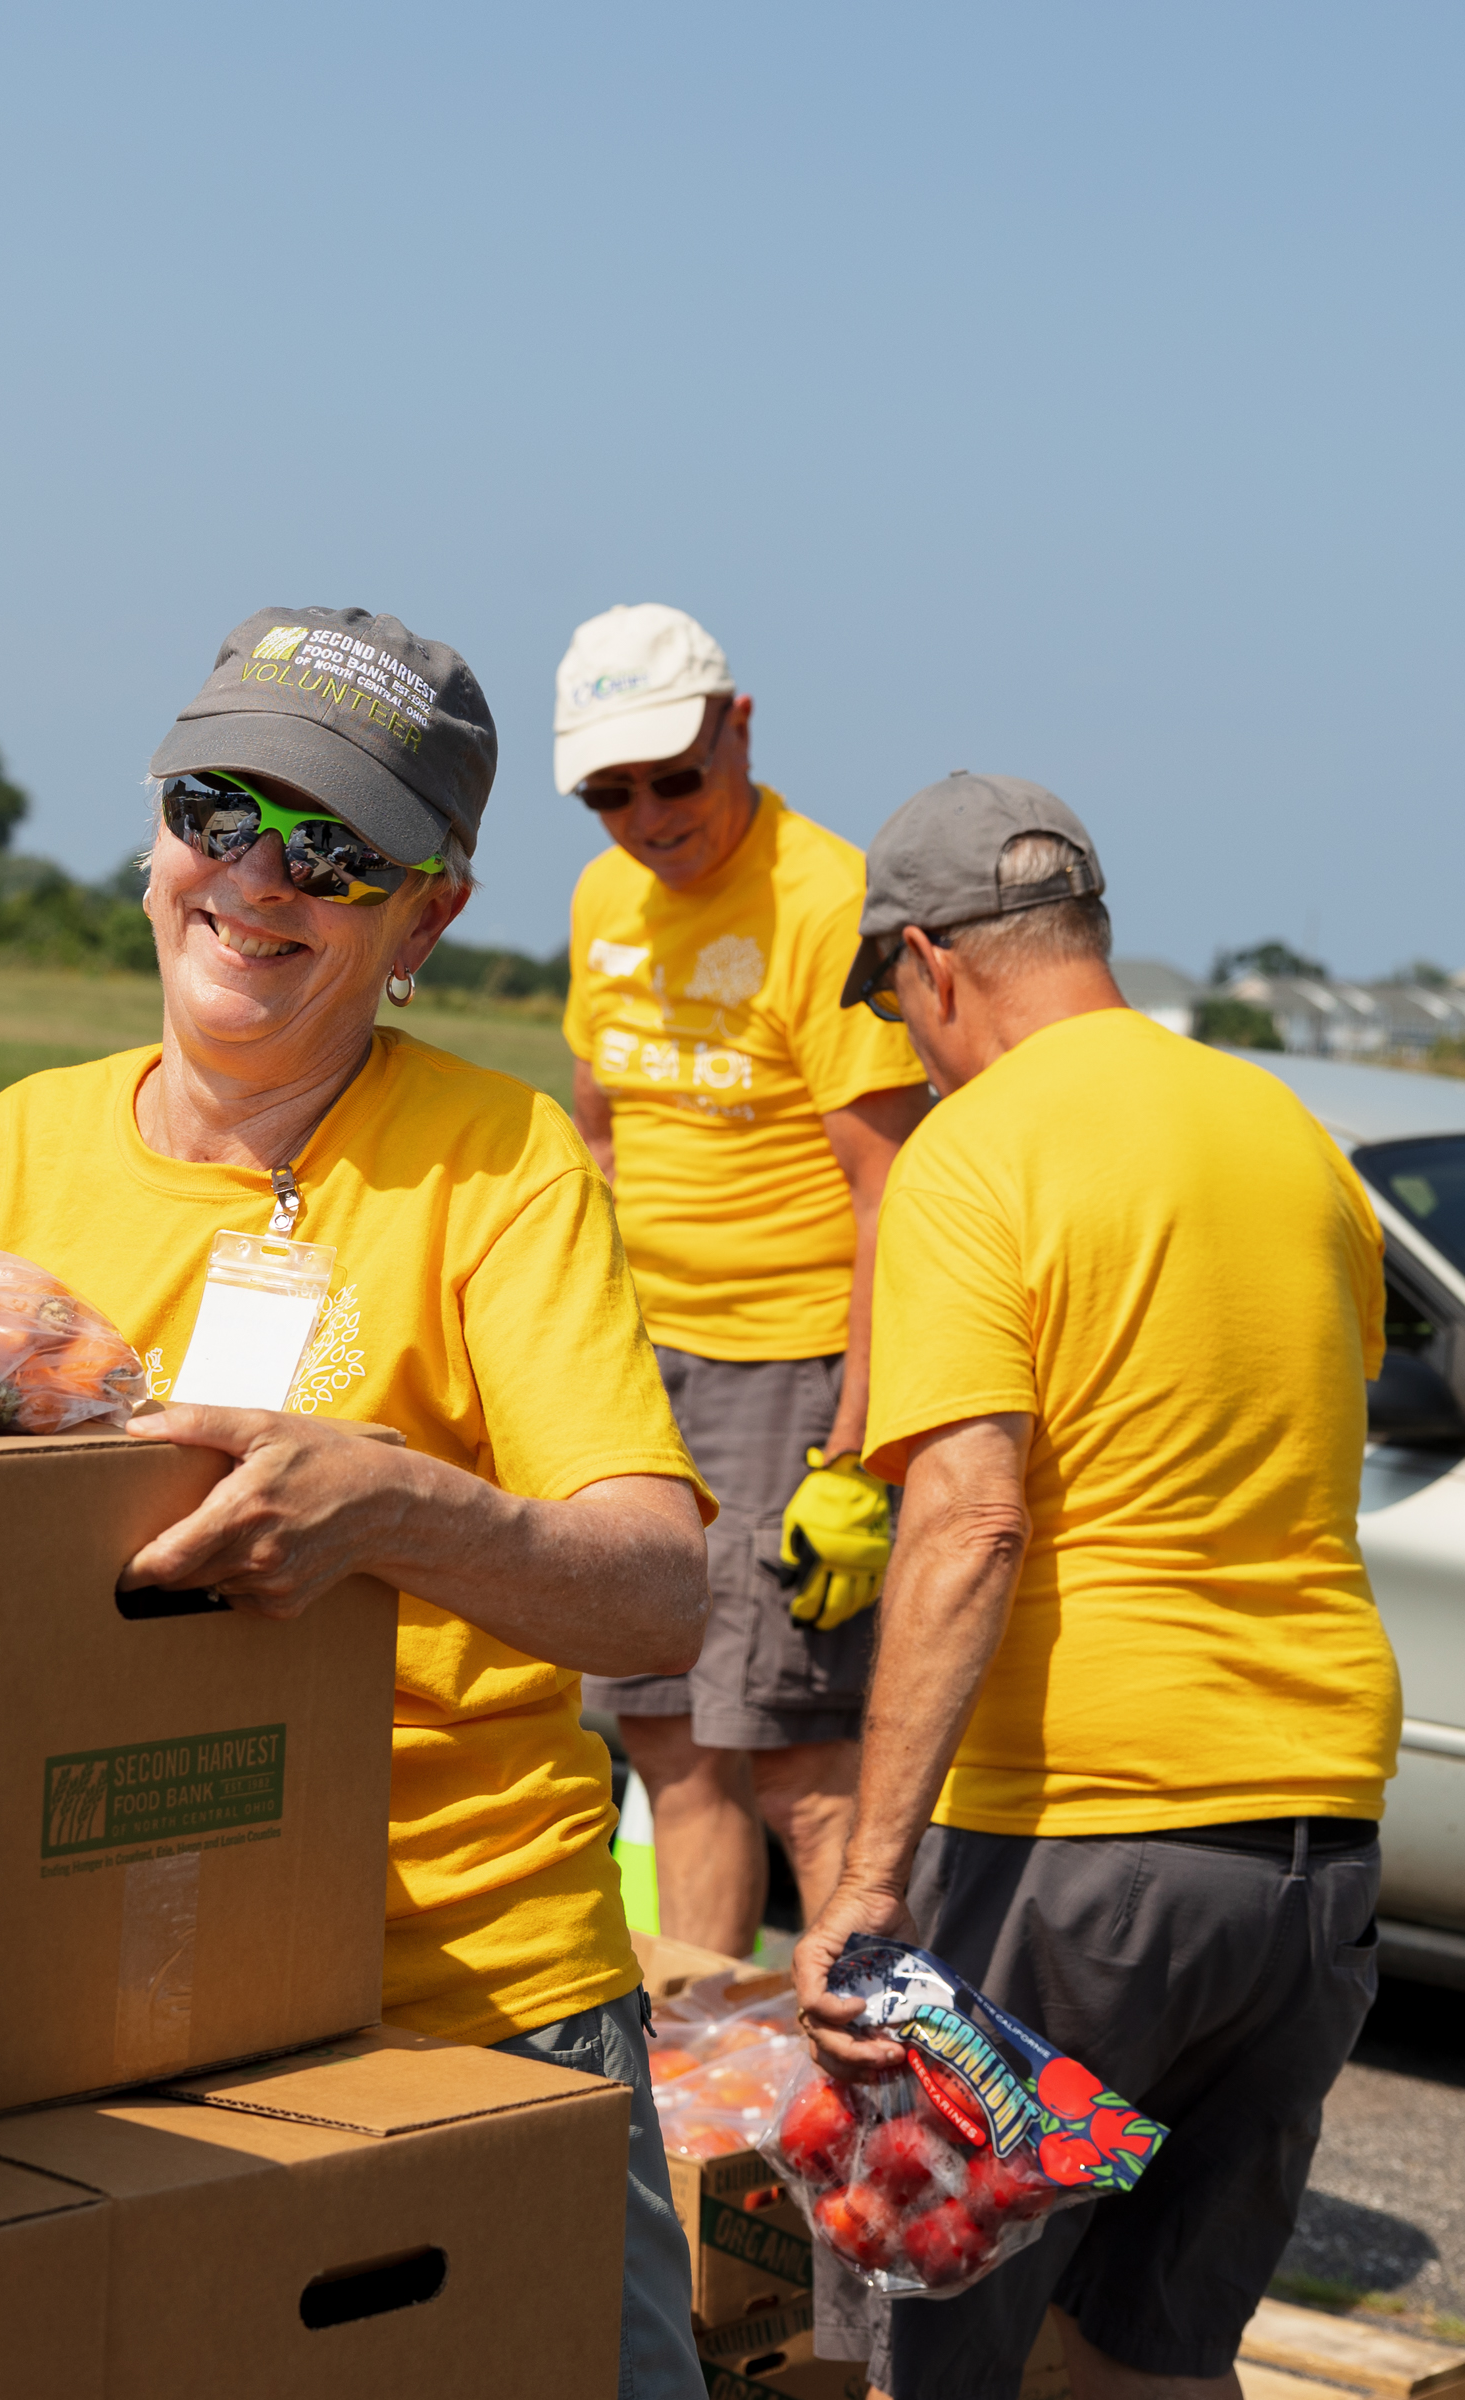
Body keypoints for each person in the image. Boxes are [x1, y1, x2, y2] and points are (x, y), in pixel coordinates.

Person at [0, 606, 713, 2400]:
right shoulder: (17, 1147)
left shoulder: (502, 1166)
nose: (256, 880)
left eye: (336, 852)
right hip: (102, 1992)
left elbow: (659, 1595)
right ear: (151, 842)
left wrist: (402, 1514)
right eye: (219, 811)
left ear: (427, 914)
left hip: (465, 2002)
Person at [787, 775, 1402, 2400]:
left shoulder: (975, 1156)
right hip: (1315, 1856)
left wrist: (862, 1883)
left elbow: (969, 1522)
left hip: (1079, 1848)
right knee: (1149, 2359)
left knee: (937, 2348)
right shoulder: (1292, 1139)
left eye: (895, 1005)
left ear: (930, 963)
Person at [554, 602, 931, 1960]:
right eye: (610, 790)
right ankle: (702, 2088)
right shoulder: (606, 898)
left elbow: (894, 1187)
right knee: (663, 1734)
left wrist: (858, 1450)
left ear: (741, 726)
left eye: (675, 775)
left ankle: (876, 2109)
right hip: (638, 1366)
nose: (649, 815)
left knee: (795, 1762)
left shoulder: (824, 904)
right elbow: (598, 1118)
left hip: (788, 1372)